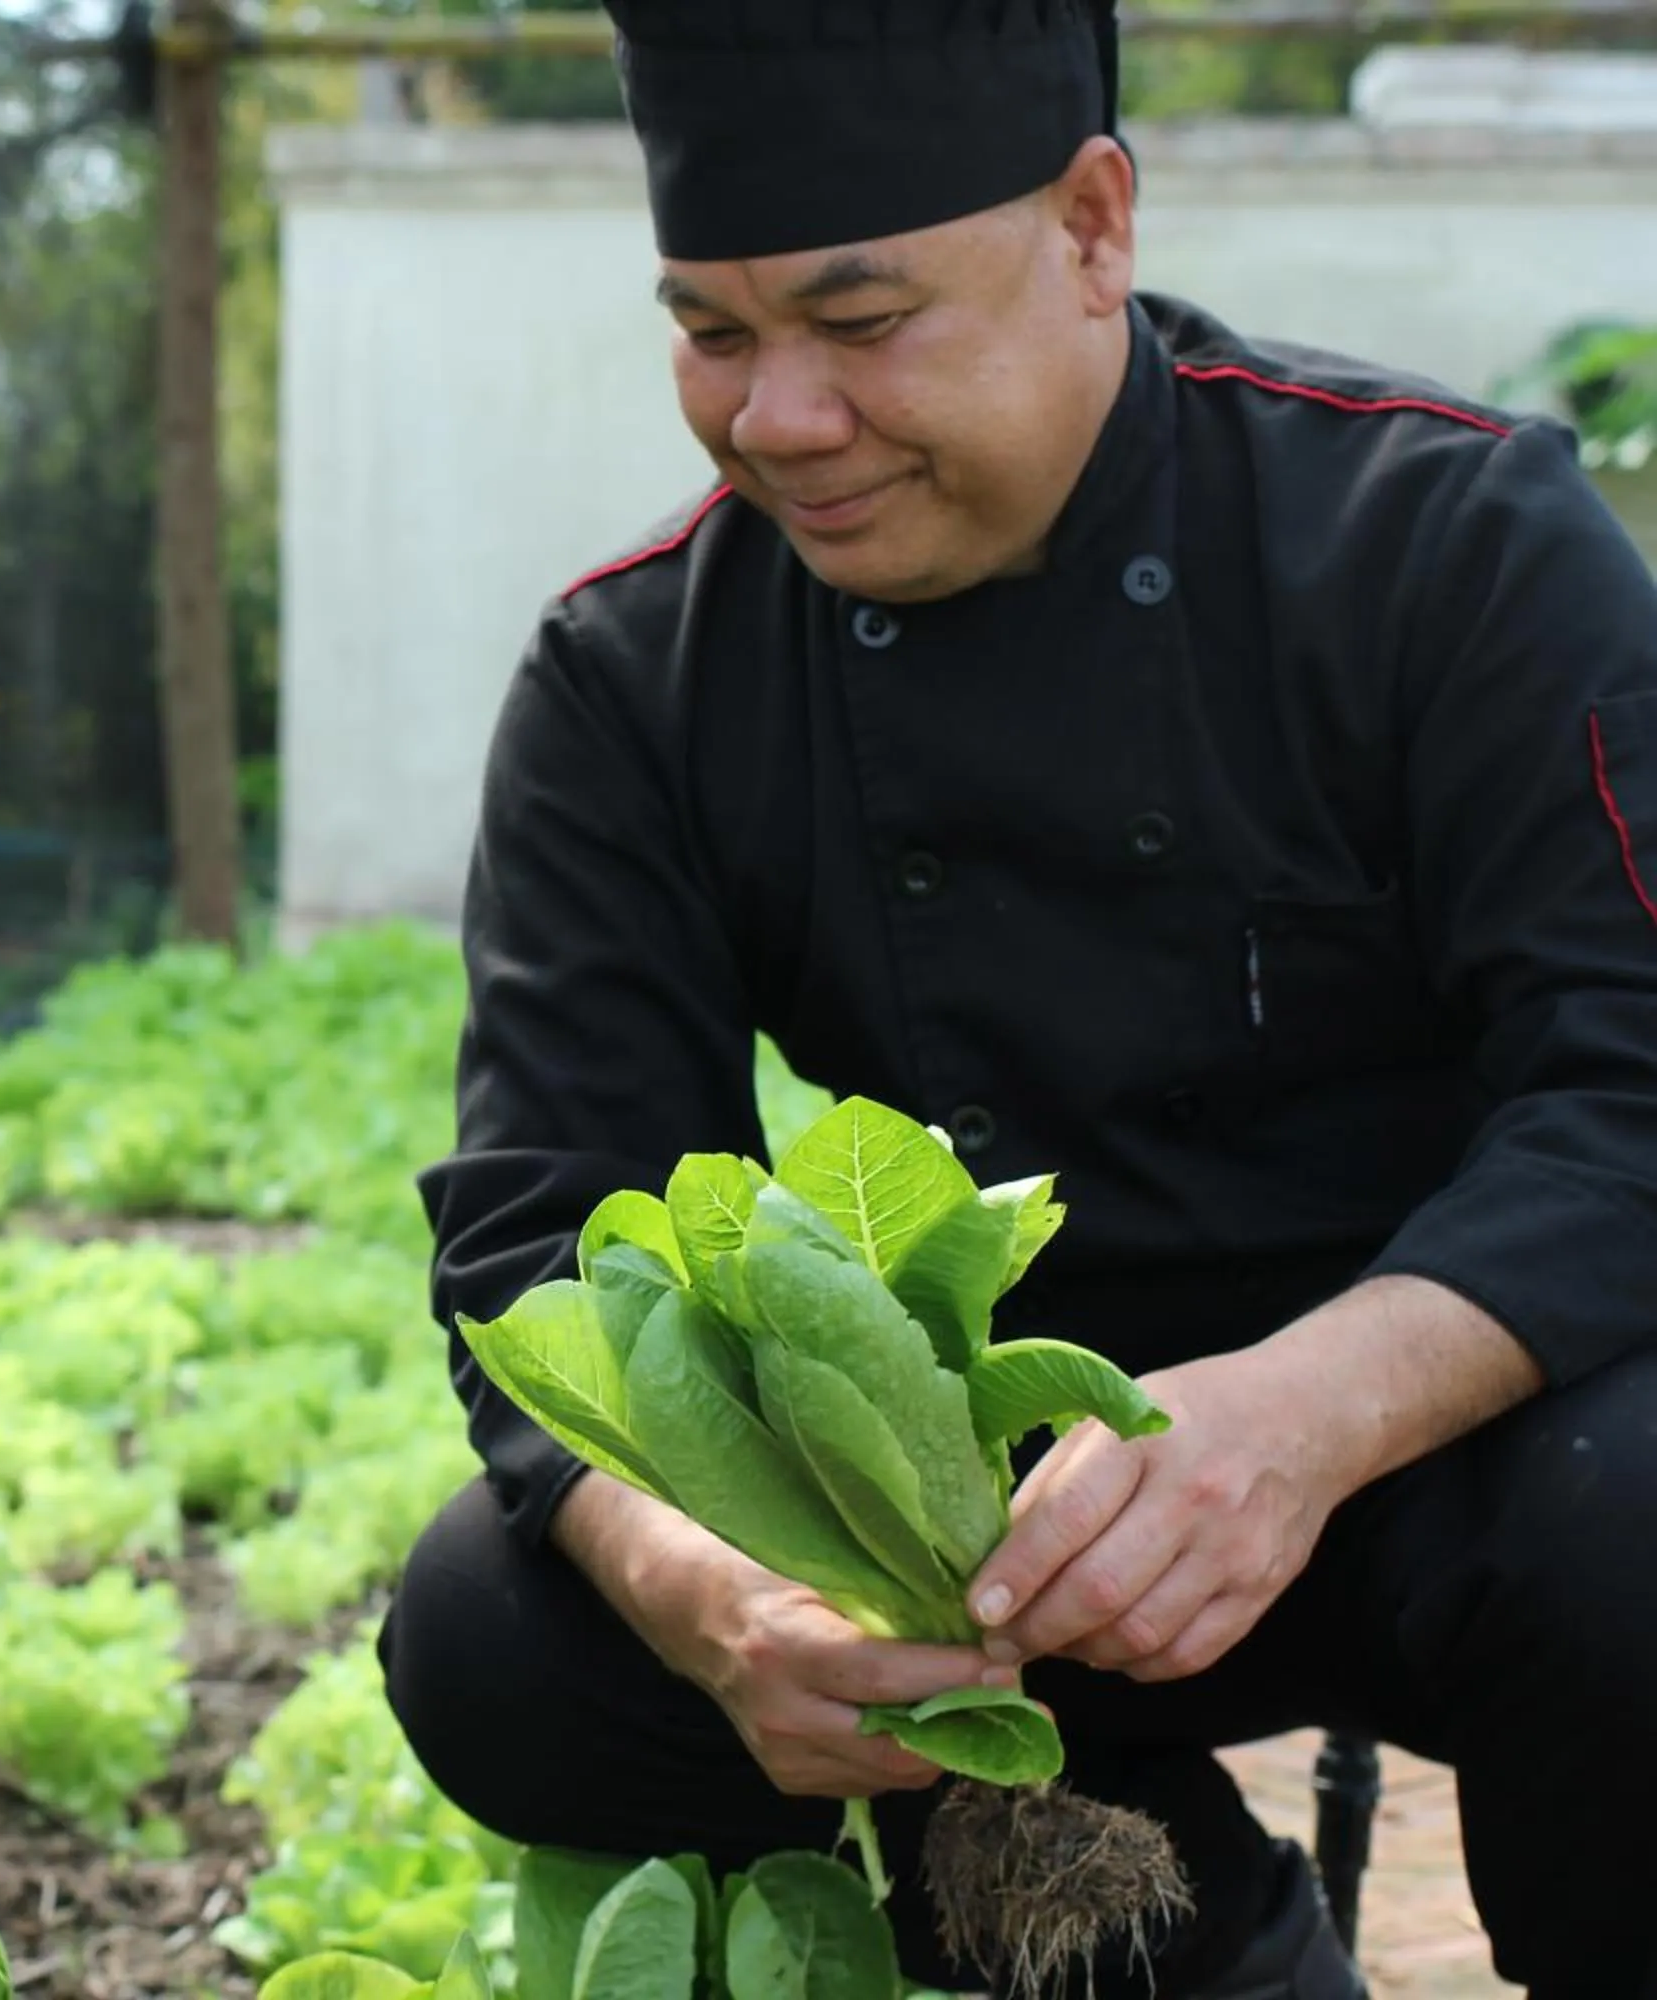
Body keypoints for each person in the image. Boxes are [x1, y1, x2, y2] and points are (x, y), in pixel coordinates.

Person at [379, 4, 1657, 1996]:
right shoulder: (636, 682)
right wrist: (716, 1596)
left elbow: (1631, 1081)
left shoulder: (1446, 542)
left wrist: (1301, 1417)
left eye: (860, 321)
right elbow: (548, 1241)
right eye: (712, 333)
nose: (777, 418)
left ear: (1091, 226)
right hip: (970, 1532)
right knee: (501, 1635)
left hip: (1458, 1442)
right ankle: (1200, 1955)